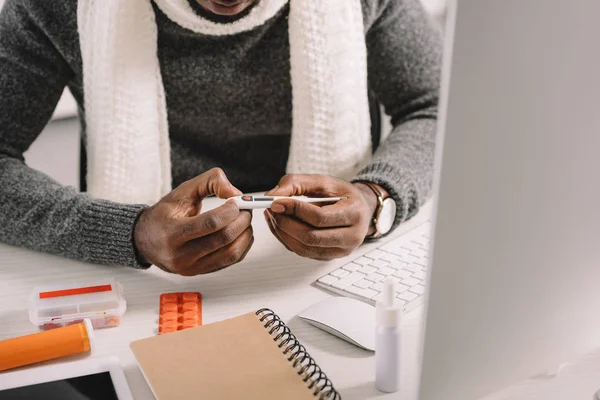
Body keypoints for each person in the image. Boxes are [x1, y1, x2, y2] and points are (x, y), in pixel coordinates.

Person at [0, 0, 441, 276]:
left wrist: (375, 199)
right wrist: (130, 232)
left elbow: (438, 108)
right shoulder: (55, 6)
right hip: (143, 284)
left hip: (329, 276)